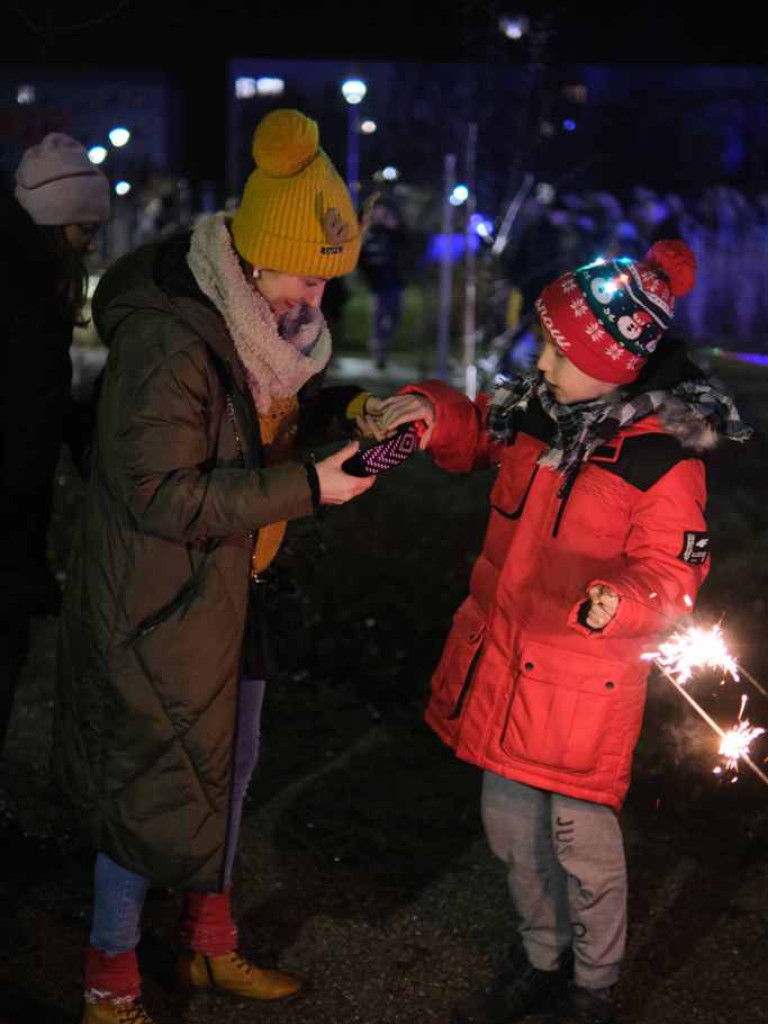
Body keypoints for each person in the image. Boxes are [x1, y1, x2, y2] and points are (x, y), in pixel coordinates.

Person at [54, 109, 382, 1024]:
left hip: (237, 588)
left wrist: (355, 414)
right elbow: (159, 494)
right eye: (306, 275)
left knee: (224, 776)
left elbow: (259, 438)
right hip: (164, 601)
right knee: (151, 792)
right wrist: (308, 490)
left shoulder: (262, 329)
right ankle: (108, 984)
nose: (316, 299)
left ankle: (207, 947)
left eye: (328, 279)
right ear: (252, 257)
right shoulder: (171, 342)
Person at [372, 242, 751, 1024]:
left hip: (582, 691)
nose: (540, 361)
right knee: (510, 831)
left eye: (558, 349)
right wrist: (432, 411)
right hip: (508, 667)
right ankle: (541, 957)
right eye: (544, 343)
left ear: (614, 361)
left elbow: (672, 572)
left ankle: (593, 986)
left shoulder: (660, 459)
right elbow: (478, 435)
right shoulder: (538, 418)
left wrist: (624, 598)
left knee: (582, 846)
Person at [0, 134, 110, 755]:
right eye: (82, 228)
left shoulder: (27, 284)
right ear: (51, 222)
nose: (91, 242)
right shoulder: (27, 297)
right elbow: (25, 414)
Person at [357, 197, 408, 369]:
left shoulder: (393, 234)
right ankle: (379, 352)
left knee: (394, 318)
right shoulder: (369, 234)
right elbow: (362, 259)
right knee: (379, 319)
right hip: (377, 285)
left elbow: (406, 246)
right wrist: (366, 278)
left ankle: (381, 346)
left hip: (395, 283)